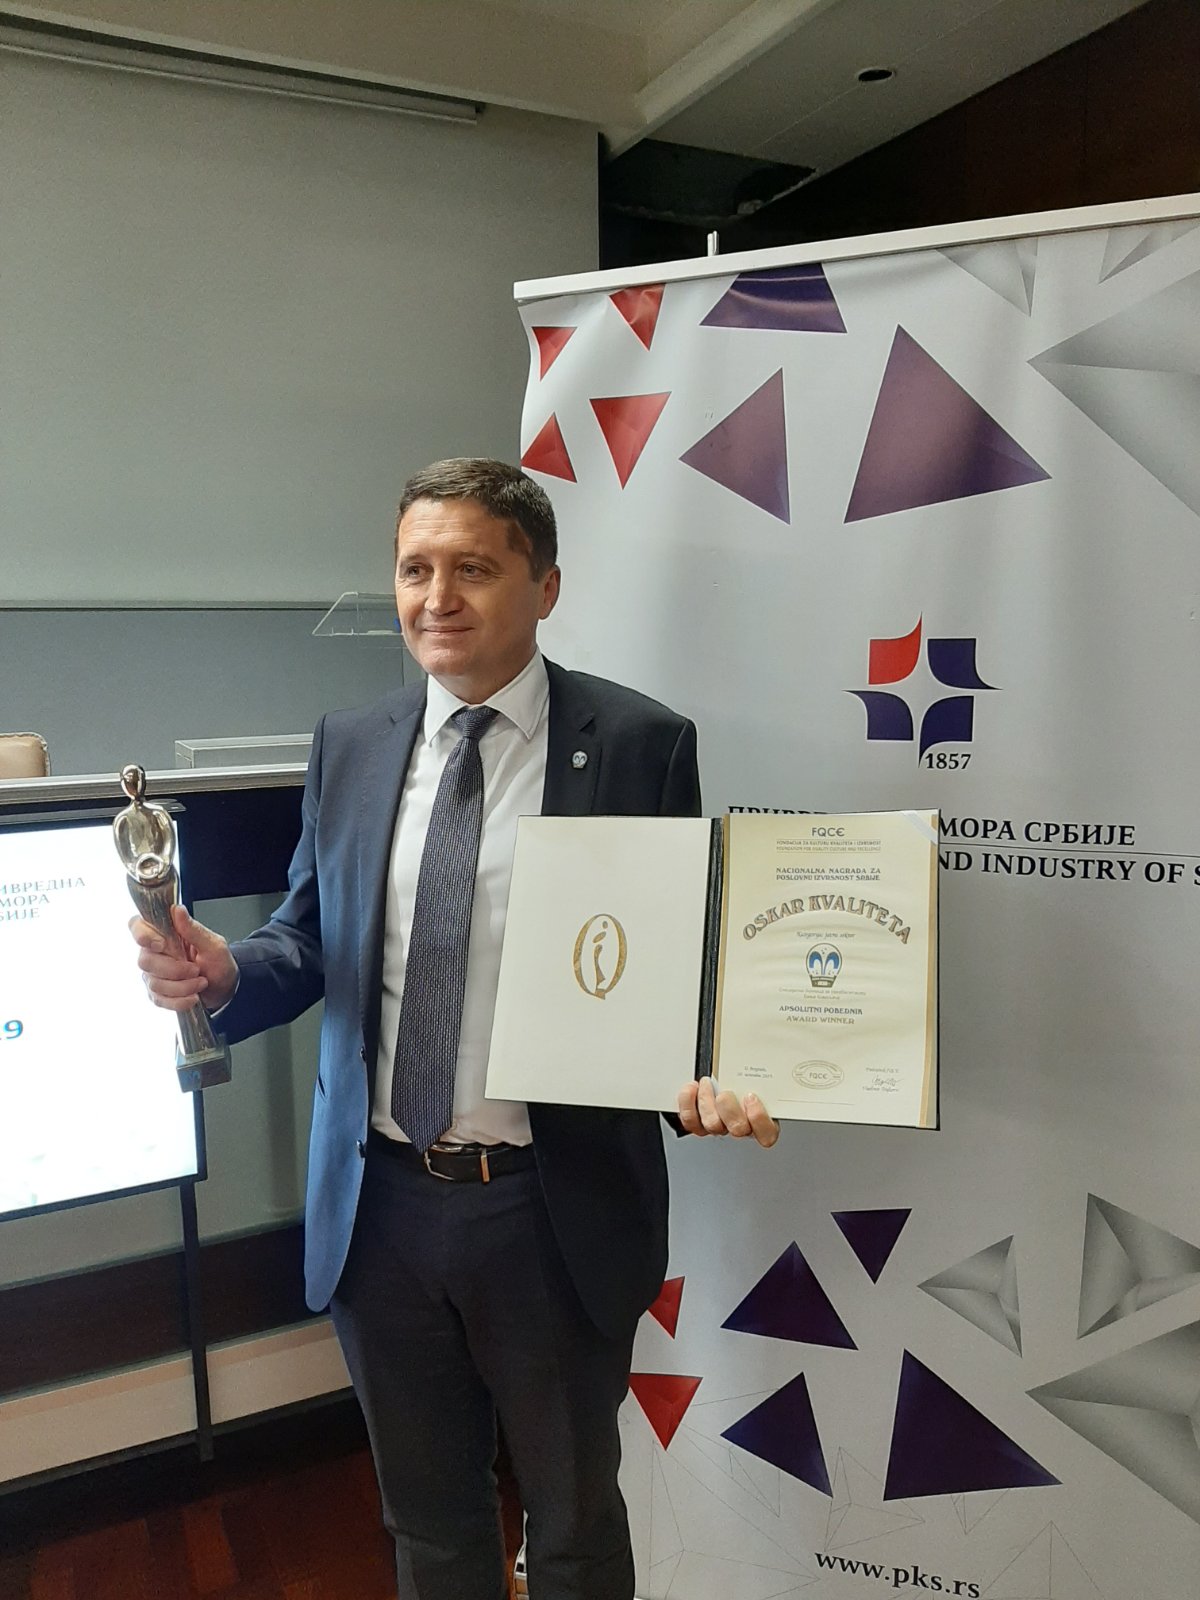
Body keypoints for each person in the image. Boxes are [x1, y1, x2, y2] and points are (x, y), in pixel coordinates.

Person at [132, 458, 778, 1600]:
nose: (438, 598)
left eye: (473, 568)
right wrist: (228, 970)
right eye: (414, 569)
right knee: (428, 1524)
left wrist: (708, 1073)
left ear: (546, 586)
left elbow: (673, 962)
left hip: (548, 1210)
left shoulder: (639, 743)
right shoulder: (351, 741)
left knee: (573, 1528)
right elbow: (311, 936)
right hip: (378, 1208)